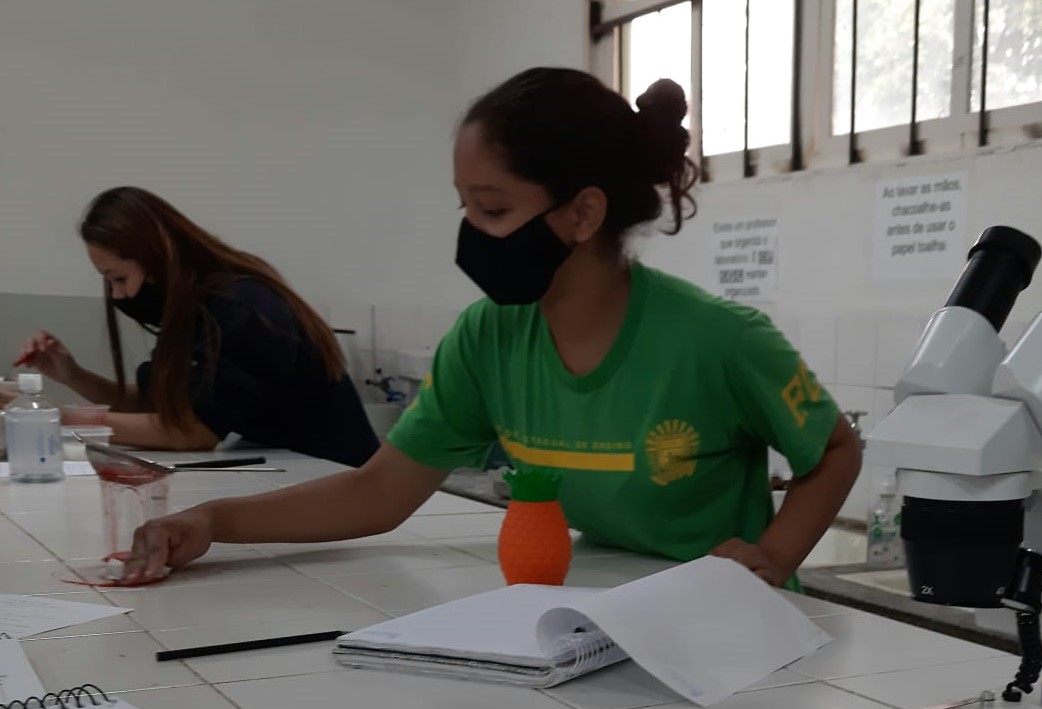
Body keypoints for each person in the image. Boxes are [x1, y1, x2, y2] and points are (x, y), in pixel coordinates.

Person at [125, 69, 861, 590]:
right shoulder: (488, 338)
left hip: (720, 626)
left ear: (583, 213)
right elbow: (380, 494)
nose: (471, 234)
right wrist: (214, 520)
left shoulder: (715, 339)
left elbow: (834, 448)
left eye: (494, 210)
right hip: (600, 609)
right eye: (465, 208)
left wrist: (773, 555)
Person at [5, 187, 379, 467]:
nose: (118, 296)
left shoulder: (241, 309)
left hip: (335, 472)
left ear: (156, 259)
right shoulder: (193, 311)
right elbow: (159, 404)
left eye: (118, 278)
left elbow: (192, 431)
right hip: (296, 468)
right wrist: (72, 374)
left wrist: (49, 415)